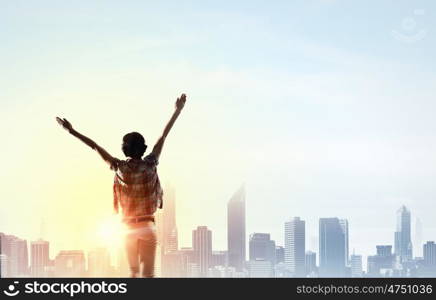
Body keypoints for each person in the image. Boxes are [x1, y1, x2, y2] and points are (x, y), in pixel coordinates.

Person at [56, 94, 187, 277]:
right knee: (148, 275)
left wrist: (71, 131)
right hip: (147, 225)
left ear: (125, 149)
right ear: (142, 148)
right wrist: (177, 110)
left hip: (128, 228)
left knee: (133, 273)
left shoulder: (119, 167)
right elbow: (163, 136)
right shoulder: (150, 163)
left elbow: (94, 146)